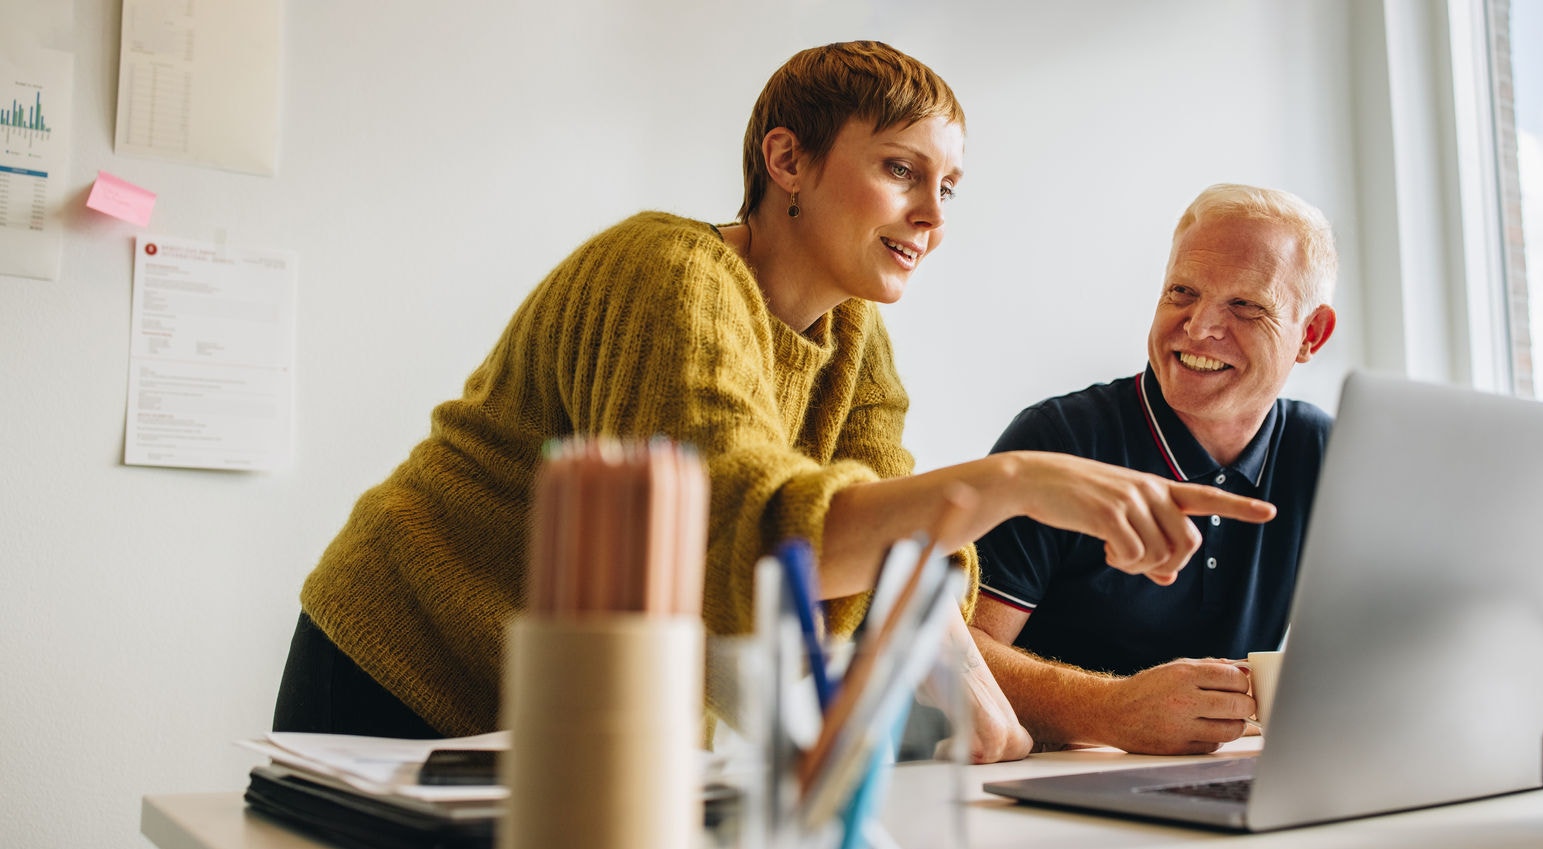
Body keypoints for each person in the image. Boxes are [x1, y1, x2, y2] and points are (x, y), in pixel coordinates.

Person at [272, 42, 1275, 764]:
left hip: (564, 725)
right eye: (899, 171)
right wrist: (1010, 482)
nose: (931, 216)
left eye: (949, 187)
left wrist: (970, 672)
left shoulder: (852, 338)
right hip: (405, 673)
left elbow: (895, 557)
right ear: (785, 160)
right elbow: (741, 538)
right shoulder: (672, 270)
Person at [967, 184, 1339, 756]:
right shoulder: (1057, 440)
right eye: (1182, 292)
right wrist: (1108, 710)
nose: (1197, 327)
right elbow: (954, 651)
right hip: (1046, 787)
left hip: (1229, 781)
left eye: (1245, 306)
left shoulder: (1324, 451)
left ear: (1310, 335)